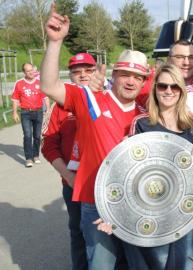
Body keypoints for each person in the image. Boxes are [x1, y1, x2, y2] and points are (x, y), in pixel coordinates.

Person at [41, 4, 149, 268]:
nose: (131, 81)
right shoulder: (90, 99)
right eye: (125, 74)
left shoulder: (146, 112)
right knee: (101, 265)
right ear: (114, 74)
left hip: (135, 204)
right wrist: (55, 42)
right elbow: (49, 85)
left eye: (138, 76)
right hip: (95, 203)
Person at [96, 64, 193, 269]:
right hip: (149, 214)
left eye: (174, 87)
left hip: (186, 212)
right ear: (155, 90)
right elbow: (125, 172)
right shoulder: (142, 124)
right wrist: (112, 213)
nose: (168, 91)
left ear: (181, 90)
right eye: (162, 86)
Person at [41, 52, 97, 270]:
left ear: (96, 71)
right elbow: (48, 145)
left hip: (105, 184)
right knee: (79, 232)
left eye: (88, 70)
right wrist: (68, 175)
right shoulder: (60, 107)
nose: (83, 75)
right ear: (70, 76)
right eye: (77, 72)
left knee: (110, 234)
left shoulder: (111, 100)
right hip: (73, 184)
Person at [11, 62, 50, 167]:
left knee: (37, 136)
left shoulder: (39, 82)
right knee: (27, 135)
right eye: (28, 71)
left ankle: (36, 155)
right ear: (24, 72)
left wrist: (48, 110)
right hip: (25, 113)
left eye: (32, 70)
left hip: (38, 112)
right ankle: (28, 158)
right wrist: (14, 113)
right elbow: (15, 99)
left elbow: (45, 97)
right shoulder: (19, 83)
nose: (31, 72)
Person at [166, 40, 193, 115]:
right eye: (179, 57)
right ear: (169, 60)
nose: (186, 63)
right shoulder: (157, 90)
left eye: (191, 57)